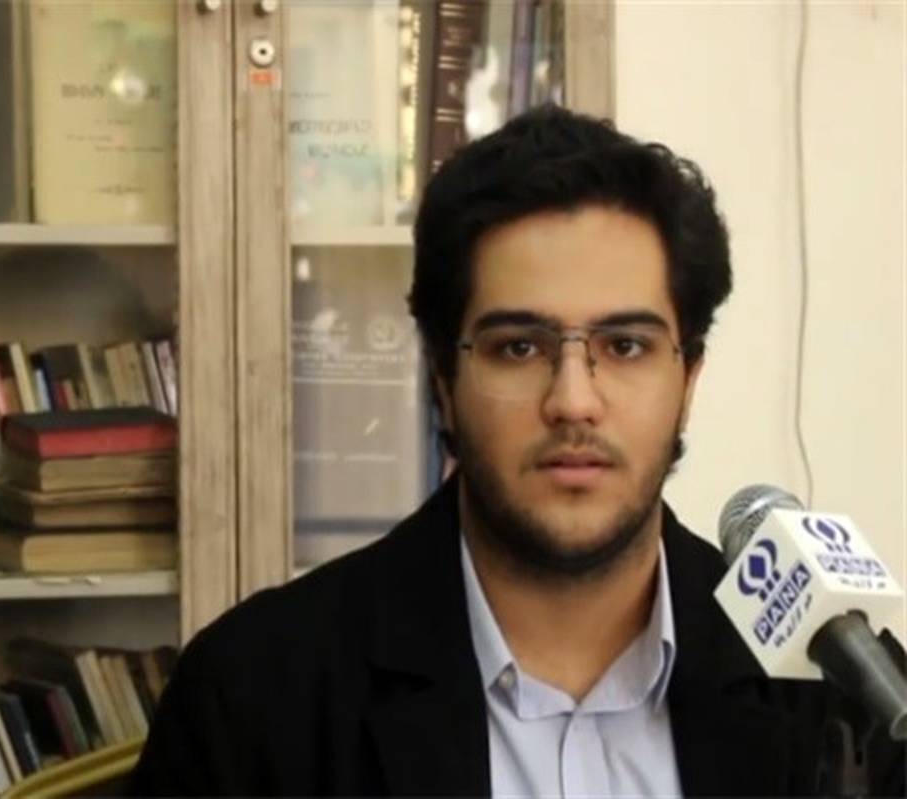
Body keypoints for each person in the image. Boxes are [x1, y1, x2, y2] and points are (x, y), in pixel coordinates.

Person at [129, 105, 905, 797]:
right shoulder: (255, 698)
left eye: (626, 345)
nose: (573, 399)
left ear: (688, 377)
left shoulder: (831, 693)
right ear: (443, 379)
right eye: (519, 347)